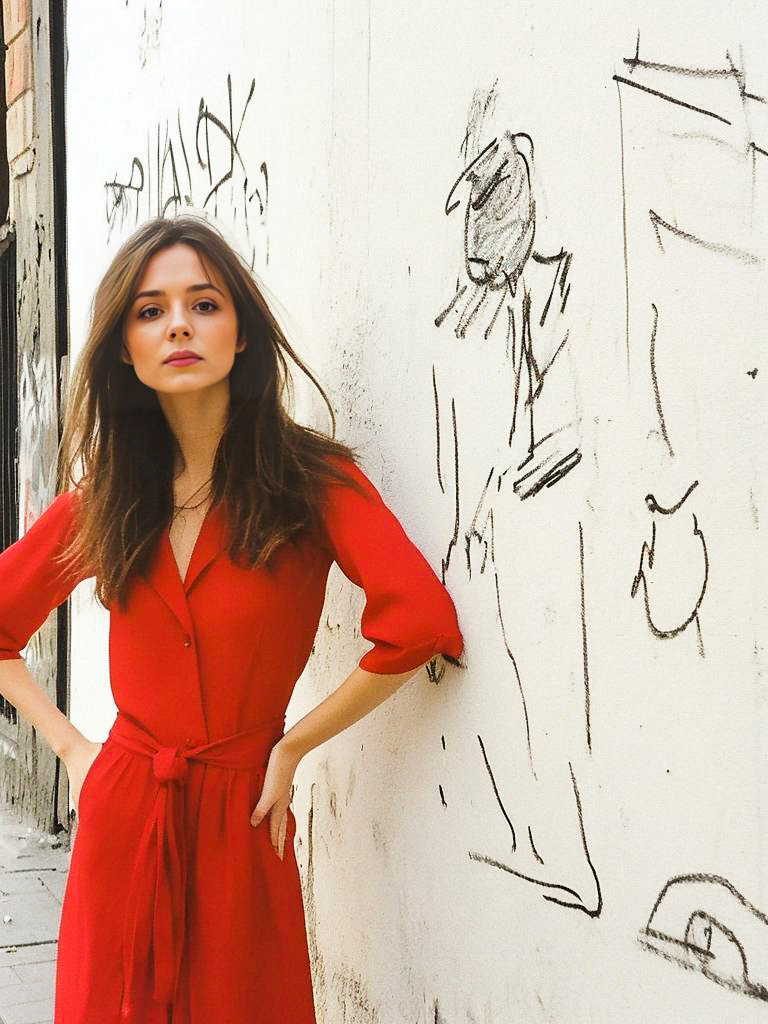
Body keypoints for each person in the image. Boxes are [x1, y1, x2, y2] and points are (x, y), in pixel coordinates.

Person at [0, 213, 464, 1023]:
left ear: (241, 332)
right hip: (124, 819)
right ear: (125, 348)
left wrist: (293, 745)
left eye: (203, 303)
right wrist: (74, 747)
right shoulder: (105, 500)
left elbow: (418, 620)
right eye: (150, 310)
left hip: (246, 821)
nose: (178, 323)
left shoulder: (312, 482)